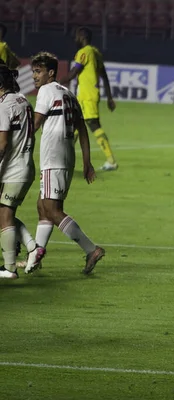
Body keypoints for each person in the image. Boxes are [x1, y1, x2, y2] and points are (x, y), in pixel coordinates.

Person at [27, 51, 105, 275]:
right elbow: (82, 130)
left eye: (38, 71)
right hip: (65, 156)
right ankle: (36, 256)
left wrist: (17, 141)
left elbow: (36, 123)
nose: (34, 76)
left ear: (51, 73)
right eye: (33, 71)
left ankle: (91, 249)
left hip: (54, 156)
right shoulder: (69, 93)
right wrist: (87, 163)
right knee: (43, 207)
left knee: (52, 209)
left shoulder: (46, 91)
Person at [0, 65, 42, 279]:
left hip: (14, 169)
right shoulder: (23, 100)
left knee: (4, 214)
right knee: (6, 213)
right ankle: (33, 248)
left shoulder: (4, 105)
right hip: (25, 165)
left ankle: (9, 268)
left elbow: (2, 142)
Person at [60, 26, 118, 171]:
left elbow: (74, 72)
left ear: (82, 37)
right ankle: (64, 159)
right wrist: (109, 97)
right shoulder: (96, 53)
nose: (75, 39)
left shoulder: (84, 52)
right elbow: (104, 76)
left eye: (77, 36)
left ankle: (111, 161)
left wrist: (56, 82)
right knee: (75, 126)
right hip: (87, 95)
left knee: (93, 125)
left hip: (87, 96)